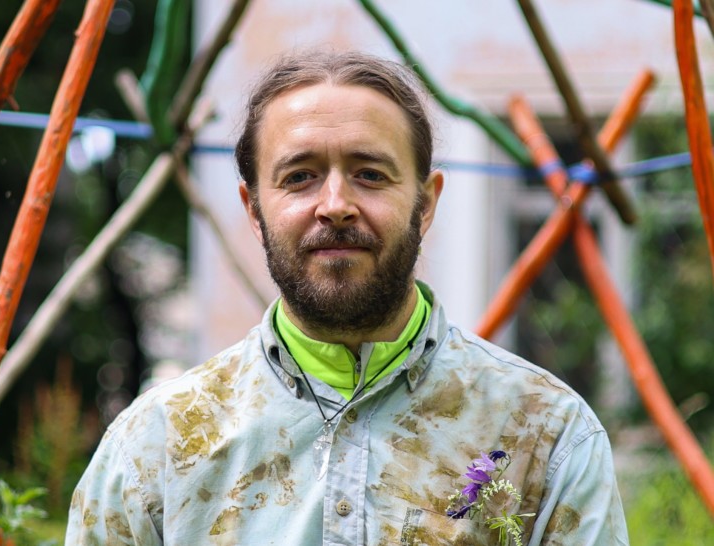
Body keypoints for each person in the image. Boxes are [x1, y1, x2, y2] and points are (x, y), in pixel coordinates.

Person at [66, 49, 628, 545]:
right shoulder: (156, 448)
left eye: (370, 174)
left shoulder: (545, 433)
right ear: (254, 210)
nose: (335, 203)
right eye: (300, 176)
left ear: (426, 203)